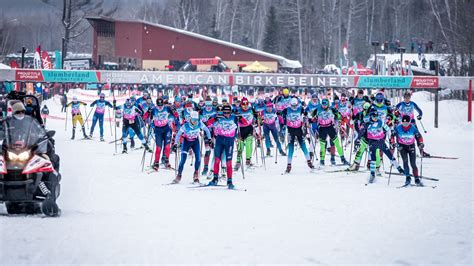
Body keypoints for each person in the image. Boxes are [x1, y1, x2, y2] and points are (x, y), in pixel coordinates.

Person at [358, 110, 404, 183]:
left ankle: (399, 168)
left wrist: (391, 135)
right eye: (374, 116)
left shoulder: (380, 122)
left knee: (389, 154)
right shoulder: (367, 124)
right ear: (371, 117)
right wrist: (358, 139)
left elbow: (388, 129)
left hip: (381, 142)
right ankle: (372, 173)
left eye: (376, 116)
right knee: (373, 158)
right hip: (372, 142)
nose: (375, 118)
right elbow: (361, 131)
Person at [207, 105, 245, 189]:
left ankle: (229, 181)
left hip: (229, 141)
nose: (226, 114)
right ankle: (215, 179)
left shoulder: (234, 117)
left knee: (228, 162)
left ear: (231, 112)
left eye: (228, 113)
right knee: (217, 160)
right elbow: (208, 123)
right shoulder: (219, 116)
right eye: (224, 112)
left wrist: (241, 117)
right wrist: (214, 119)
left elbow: (245, 123)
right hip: (220, 140)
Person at [172, 111, 211, 184]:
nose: (195, 122)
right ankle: (179, 175)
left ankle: (196, 175)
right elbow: (178, 135)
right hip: (186, 142)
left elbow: (207, 130)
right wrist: (175, 144)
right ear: (190, 118)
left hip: (195, 142)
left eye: (196, 120)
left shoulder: (200, 123)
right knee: (183, 160)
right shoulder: (185, 125)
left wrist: (209, 139)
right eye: (193, 120)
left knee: (198, 159)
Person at [312, 98, 349, 166]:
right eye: (323, 104)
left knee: (337, 143)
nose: (324, 106)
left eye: (325, 104)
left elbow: (339, 115)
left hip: (330, 127)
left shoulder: (332, 109)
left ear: (328, 104)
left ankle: (342, 159)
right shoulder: (318, 109)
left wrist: (340, 120)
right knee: (322, 145)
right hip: (322, 128)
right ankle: (322, 161)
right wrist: (313, 119)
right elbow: (311, 116)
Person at [282, 98, 314, 173]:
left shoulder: (300, 108)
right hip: (290, 130)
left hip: (299, 129)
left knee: (303, 146)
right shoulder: (287, 109)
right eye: (292, 106)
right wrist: (283, 120)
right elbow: (281, 114)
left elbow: (306, 114)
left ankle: (309, 161)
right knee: (291, 148)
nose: (294, 107)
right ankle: (289, 165)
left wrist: (308, 119)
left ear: (297, 104)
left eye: (295, 105)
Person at [393, 115, 425, 186]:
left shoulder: (413, 128)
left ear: (409, 122)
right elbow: (392, 135)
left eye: (407, 123)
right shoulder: (398, 128)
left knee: (413, 163)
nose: (405, 124)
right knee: (405, 161)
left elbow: (419, 136)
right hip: (402, 146)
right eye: (403, 123)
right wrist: (393, 142)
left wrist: (421, 143)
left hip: (411, 146)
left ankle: (416, 178)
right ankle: (408, 178)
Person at [147, 97, 178, 170]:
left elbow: (175, 115)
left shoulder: (167, 108)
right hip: (158, 130)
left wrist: (175, 117)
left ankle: (166, 161)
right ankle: (156, 162)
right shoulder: (154, 109)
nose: (160, 107)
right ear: (156, 104)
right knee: (158, 148)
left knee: (167, 147)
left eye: (161, 105)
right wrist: (150, 121)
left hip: (167, 129)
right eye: (158, 105)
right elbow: (148, 118)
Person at [234, 97, 257, 170]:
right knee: (240, 145)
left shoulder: (251, 109)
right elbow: (233, 118)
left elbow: (257, 117)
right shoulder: (238, 110)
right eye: (243, 104)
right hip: (241, 129)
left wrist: (258, 120)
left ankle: (248, 159)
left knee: (248, 143)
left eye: (246, 104)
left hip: (249, 128)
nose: (245, 106)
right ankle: (238, 161)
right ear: (241, 104)